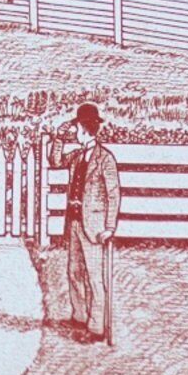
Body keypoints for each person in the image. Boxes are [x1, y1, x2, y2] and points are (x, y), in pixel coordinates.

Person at [59, 102, 121, 344]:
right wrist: (57, 137)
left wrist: (109, 227)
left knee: (95, 276)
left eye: (76, 129)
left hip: (93, 226)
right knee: (74, 271)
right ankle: (79, 315)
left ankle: (96, 327)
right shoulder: (76, 156)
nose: (74, 133)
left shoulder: (105, 159)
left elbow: (113, 193)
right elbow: (55, 159)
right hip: (74, 222)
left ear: (86, 130)